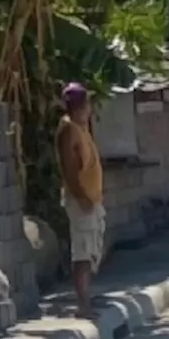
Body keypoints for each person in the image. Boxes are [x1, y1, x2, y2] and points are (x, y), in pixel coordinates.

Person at [56, 83, 106, 320]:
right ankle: (82, 305)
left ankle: (86, 299)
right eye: (87, 104)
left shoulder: (81, 127)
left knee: (91, 250)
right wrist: (82, 197)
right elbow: (69, 170)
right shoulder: (68, 130)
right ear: (79, 106)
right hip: (81, 201)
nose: (89, 109)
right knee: (82, 253)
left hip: (91, 199)